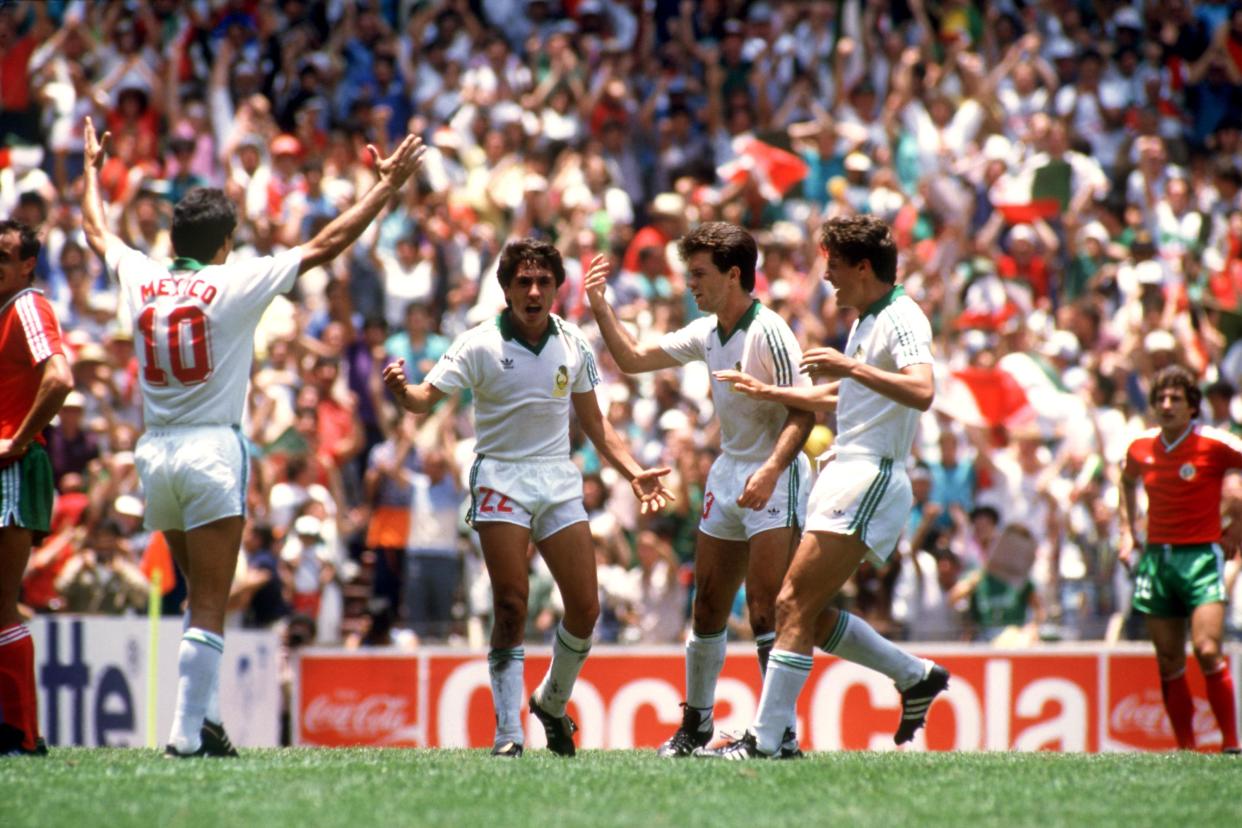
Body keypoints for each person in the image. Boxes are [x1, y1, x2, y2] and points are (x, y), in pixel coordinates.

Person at [81, 117, 426, 758]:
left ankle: (206, 721)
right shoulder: (233, 282)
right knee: (212, 601)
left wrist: (92, 170)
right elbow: (325, 245)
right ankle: (185, 735)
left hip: (153, 451)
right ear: (223, 244)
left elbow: (95, 228)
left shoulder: (139, 275)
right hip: (211, 447)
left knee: (197, 598)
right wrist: (385, 190)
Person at [383, 238, 673, 758]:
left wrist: (633, 472)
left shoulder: (574, 343)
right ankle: (507, 735)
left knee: (585, 608)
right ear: (506, 288)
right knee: (511, 603)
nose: (534, 291)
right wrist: (404, 392)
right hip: (501, 478)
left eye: (543, 282)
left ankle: (551, 702)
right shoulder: (478, 343)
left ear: (557, 289)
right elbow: (426, 398)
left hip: (557, 479)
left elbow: (596, 424)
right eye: (524, 281)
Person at [698, 215, 949, 759]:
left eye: (833, 263)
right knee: (805, 612)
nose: (827, 273)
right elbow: (849, 396)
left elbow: (923, 390)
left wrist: (849, 369)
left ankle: (768, 742)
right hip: (844, 470)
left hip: (871, 473)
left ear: (862, 266)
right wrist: (770, 390)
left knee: (788, 603)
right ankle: (914, 675)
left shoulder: (903, 317)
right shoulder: (867, 320)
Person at [583, 221, 814, 757]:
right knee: (707, 604)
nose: (691, 283)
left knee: (763, 609)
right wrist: (600, 306)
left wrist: (772, 470)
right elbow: (636, 359)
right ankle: (698, 724)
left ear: (734, 275)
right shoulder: (709, 331)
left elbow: (803, 414)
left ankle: (778, 734)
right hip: (730, 471)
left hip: (774, 472)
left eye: (700, 273)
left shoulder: (770, 331)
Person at [1119, 365, 1241, 754]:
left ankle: (1231, 744)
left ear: (1193, 408)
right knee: (1169, 659)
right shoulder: (1141, 447)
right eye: (1161, 399)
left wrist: (1236, 527)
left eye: (1176, 399)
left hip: (1201, 557)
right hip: (1157, 560)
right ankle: (1186, 748)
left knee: (1207, 649)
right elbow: (1126, 481)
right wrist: (1126, 531)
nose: (1166, 405)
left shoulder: (1215, 444)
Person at [0, 219, 73, 756]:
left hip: (11, 468)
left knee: (2, 604)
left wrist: (18, 441)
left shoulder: (28, 305)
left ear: (27, 265)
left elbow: (60, 377)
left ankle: (22, 734)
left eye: (3, 256)